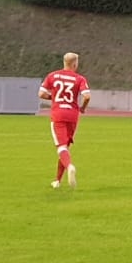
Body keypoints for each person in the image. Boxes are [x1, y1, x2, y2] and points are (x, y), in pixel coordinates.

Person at [39, 52, 91, 190]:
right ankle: (57, 180)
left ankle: (70, 166)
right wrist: (83, 108)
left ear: (64, 62)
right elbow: (87, 96)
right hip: (72, 115)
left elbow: (41, 93)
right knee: (65, 148)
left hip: (58, 115)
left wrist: (54, 97)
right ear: (75, 64)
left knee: (61, 147)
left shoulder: (52, 75)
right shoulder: (79, 79)